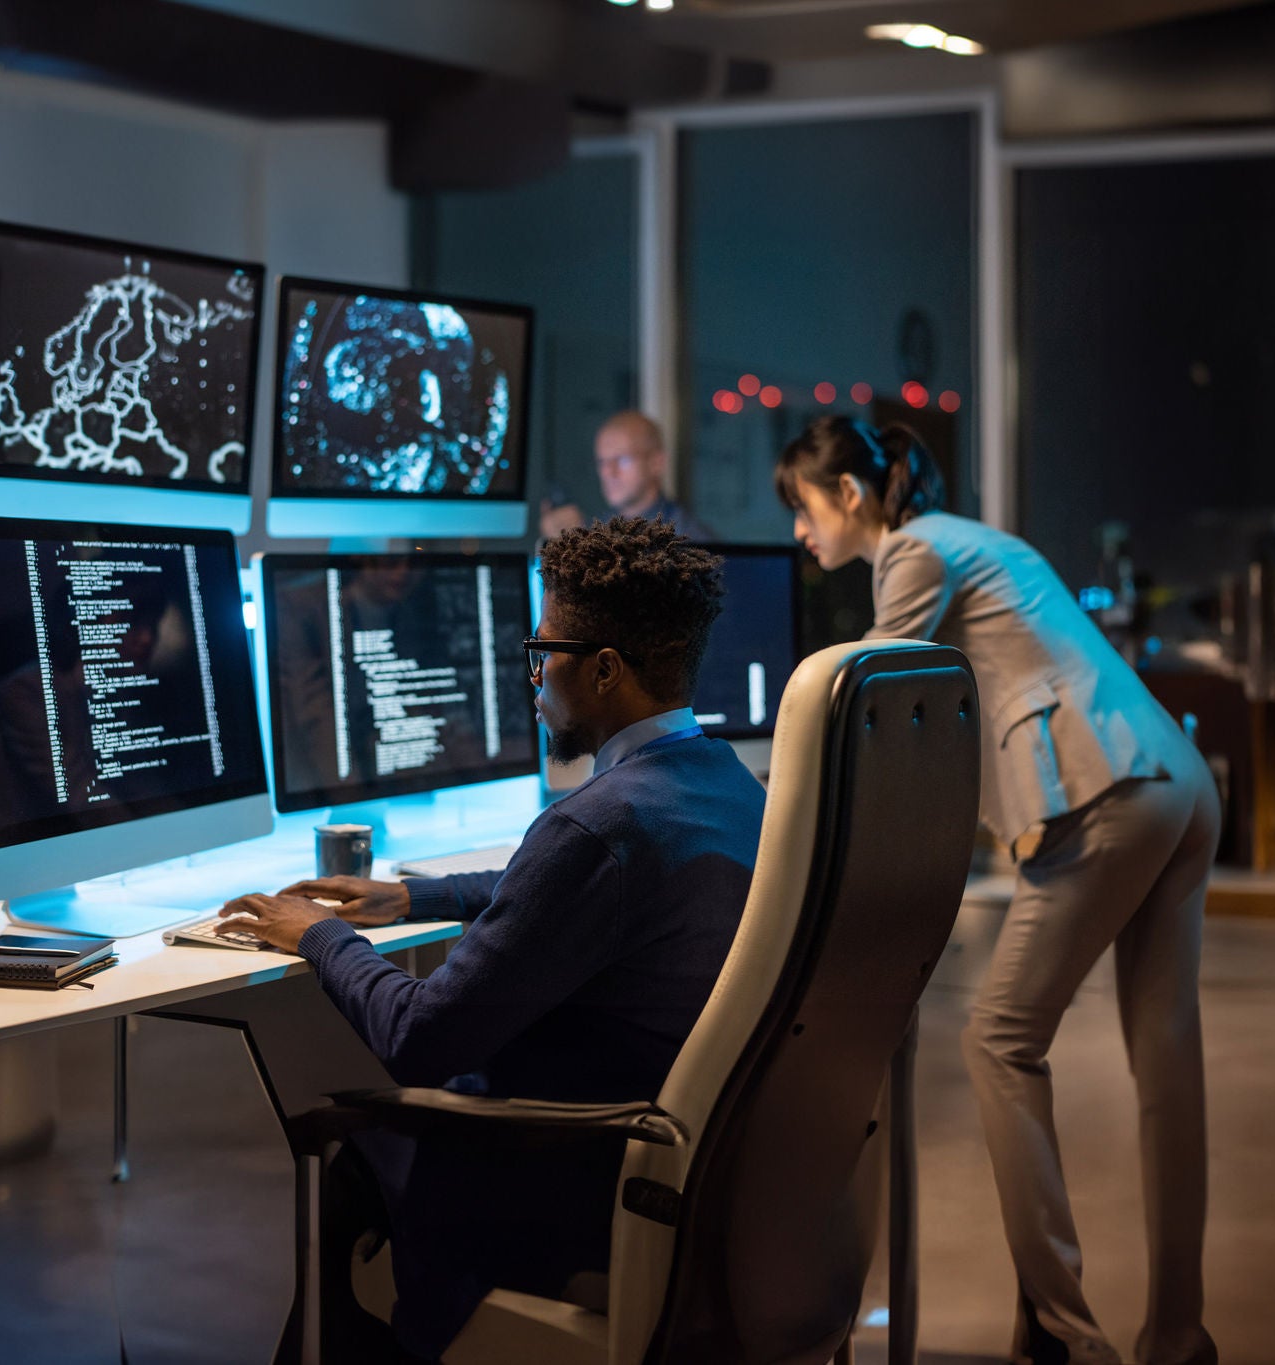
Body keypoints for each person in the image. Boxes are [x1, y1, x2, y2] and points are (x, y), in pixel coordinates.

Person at [215, 517, 764, 1362]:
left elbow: (418, 1038)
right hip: (700, 1177)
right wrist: (414, 896)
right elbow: (571, 888)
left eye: (545, 653)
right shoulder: (726, 784)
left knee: (353, 1154)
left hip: (571, 1177)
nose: (535, 677)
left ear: (606, 669)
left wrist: (319, 933)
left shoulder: (593, 828)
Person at [774, 415, 1219, 1365]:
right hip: (1175, 779)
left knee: (998, 1041)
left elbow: (868, 707)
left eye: (803, 510)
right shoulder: (974, 539)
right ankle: (1178, 1334)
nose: (800, 536)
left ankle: (1061, 1333)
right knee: (1168, 1069)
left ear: (849, 495)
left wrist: (784, 800)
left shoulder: (914, 553)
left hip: (1110, 792)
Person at [539, 410, 712, 542]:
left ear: (656, 463)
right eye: (602, 462)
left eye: (622, 460)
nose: (608, 472)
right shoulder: (599, 530)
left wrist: (581, 547)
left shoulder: (690, 542)